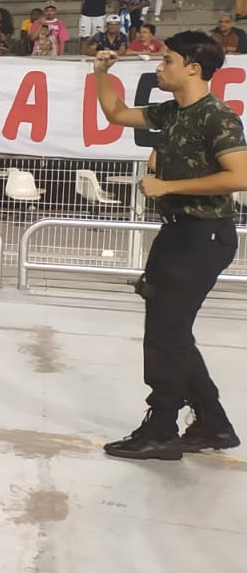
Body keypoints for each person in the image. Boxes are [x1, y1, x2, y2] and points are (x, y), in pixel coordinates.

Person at [90, 34, 246, 459]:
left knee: (164, 333)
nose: (160, 67)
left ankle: (161, 429)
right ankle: (213, 425)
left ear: (193, 67)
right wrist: (101, 73)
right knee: (171, 332)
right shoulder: (173, 111)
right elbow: (117, 112)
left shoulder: (218, 117)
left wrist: (168, 185)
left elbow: (240, 175)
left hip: (203, 234)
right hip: (179, 232)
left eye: (168, 60)